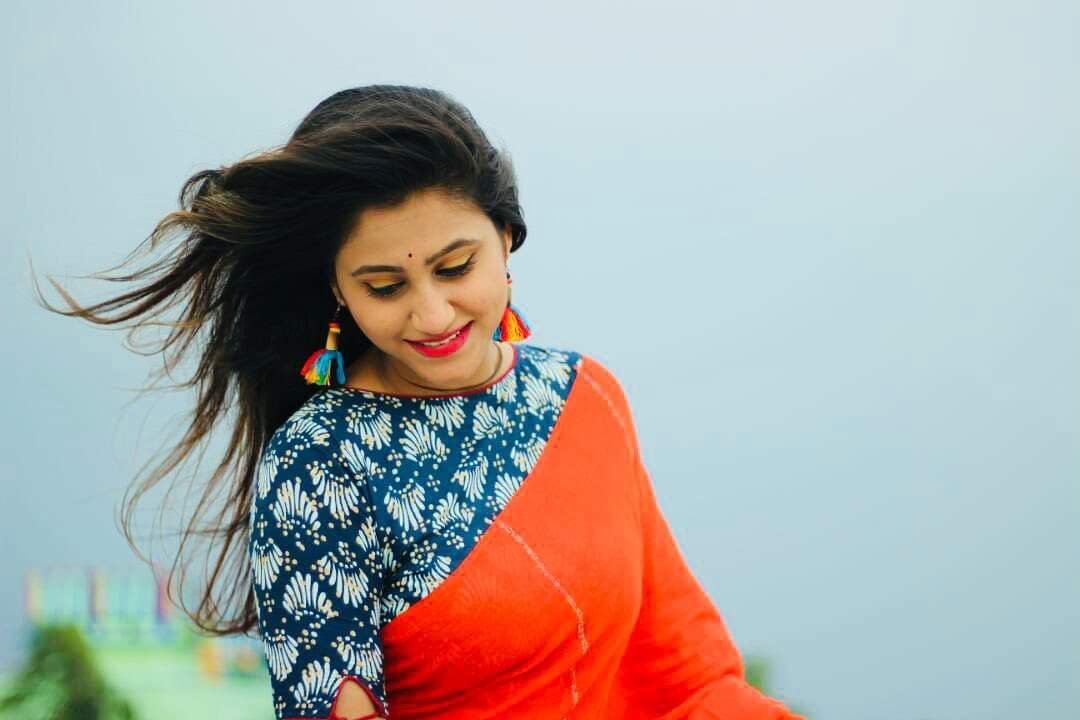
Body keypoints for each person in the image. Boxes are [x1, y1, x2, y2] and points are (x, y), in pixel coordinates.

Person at [39, 85, 804, 719]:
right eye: (385, 286)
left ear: (507, 236)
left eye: (455, 266)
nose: (431, 315)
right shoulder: (320, 464)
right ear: (338, 288)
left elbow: (686, 671)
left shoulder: (586, 396)